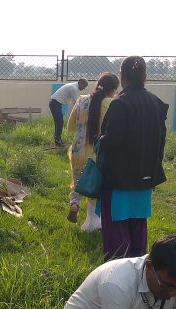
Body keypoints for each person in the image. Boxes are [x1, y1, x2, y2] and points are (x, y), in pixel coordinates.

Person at [98, 57, 168, 260]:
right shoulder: (155, 102)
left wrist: (100, 140)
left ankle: (119, 275)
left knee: (116, 232)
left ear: (122, 77)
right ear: (145, 77)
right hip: (146, 176)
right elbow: (161, 141)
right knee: (138, 227)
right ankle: (139, 270)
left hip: (119, 178)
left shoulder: (120, 103)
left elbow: (113, 140)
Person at [66, 72, 120, 226]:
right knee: (94, 186)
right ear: (114, 89)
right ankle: (92, 223)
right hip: (97, 154)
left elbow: (71, 127)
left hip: (77, 150)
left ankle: (75, 204)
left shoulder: (82, 100)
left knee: (77, 183)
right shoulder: (112, 103)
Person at [49, 78, 89, 147]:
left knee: (59, 122)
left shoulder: (73, 85)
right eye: (84, 86)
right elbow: (77, 102)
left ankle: (58, 140)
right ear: (81, 83)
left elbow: (74, 103)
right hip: (55, 104)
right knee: (59, 122)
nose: (84, 88)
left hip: (55, 104)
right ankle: (58, 141)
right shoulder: (73, 88)